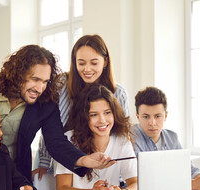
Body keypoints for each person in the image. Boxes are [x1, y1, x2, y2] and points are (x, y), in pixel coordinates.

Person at [0, 45, 114, 183]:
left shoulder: (46, 103)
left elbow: (56, 142)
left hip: (11, 177)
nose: (40, 88)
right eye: (35, 80)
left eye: (45, 81)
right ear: (17, 74)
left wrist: (84, 160)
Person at [33, 34, 129, 180]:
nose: (87, 69)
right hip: (61, 162)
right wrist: (44, 163)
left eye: (94, 63)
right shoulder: (61, 85)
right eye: (81, 63)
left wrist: (122, 173)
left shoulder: (119, 93)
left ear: (105, 62)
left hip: (103, 166)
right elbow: (49, 129)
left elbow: (121, 135)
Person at [131, 87, 200, 190]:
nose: (152, 122)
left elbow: (189, 168)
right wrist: (193, 184)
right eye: (146, 117)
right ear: (138, 116)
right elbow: (145, 181)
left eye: (157, 116)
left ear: (165, 116)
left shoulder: (172, 137)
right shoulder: (130, 138)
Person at [55, 84, 137, 190]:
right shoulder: (69, 140)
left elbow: (136, 184)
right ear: (84, 117)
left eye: (107, 112)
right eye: (93, 115)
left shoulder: (122, 141)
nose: (102, 120)